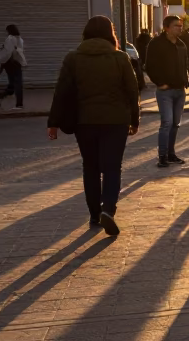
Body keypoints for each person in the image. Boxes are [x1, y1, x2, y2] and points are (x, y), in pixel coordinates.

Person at [47, 16, 139, 236]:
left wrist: (53, 123)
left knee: (90, 166)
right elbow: (132, 90)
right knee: (112, 166)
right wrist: (135, 120)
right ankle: (108, 208)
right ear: (111, 34)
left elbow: (62, 92)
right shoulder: (120, 58)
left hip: (84, 120)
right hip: (116, 121)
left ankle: (94, 214)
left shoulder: (73, 58)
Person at [145, 15, 189, 168]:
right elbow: (149, 66)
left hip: (180, 90)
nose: (180, 28)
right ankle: (162, 156)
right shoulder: (156, 44)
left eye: (180, 25)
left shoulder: (182, 45)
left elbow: (185, 64)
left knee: (175, 124)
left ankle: (171, 154)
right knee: (167, 123)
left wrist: (186, 82)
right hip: (165, 91)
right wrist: (160, 83)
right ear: (167, 28)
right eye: (176, 25)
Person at [0, 24, 27, 111]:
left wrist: (0, 69)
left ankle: (0, 96)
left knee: (13, 85)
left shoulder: (10, 38)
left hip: (11, 63)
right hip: (14, 64)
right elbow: (16, 52)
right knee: (18, 85)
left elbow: (7, 53)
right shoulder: (20, 39)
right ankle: (19, 104)